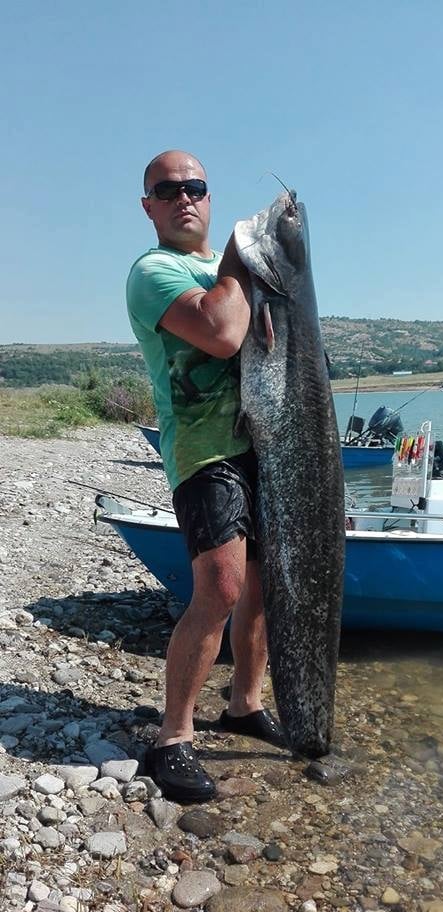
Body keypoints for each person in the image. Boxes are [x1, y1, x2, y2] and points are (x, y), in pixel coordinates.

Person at [126, 150, 285, 804]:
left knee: (261, 587)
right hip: (204, 450)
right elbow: (220, 332)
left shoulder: (229, 273)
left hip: (262, 447)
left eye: (195, 186)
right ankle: (172, 738)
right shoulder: (154, 270)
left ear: (209, 197)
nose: (183, 197)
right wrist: (240, 258)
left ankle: (244, 704)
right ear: (150, 207)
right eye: (168, 190)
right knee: (219, 586)